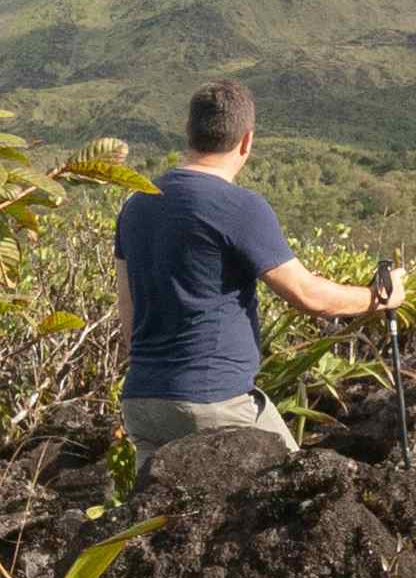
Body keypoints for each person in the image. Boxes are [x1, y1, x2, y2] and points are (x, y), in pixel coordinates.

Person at [113, 78, 397, 448]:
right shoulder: (239, 206)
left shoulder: (135, 206)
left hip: (143, 403)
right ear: (246, 140)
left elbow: (128, 313)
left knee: (158, 506)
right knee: (297, 490)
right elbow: (307, 295)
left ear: (190, 133)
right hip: (214, 401)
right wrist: (380, 298)